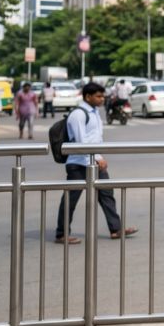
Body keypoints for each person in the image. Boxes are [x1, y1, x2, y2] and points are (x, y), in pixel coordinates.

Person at [54, 82, 138, 244]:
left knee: (107, 194)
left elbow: (95, 140)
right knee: (71, 199)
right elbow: (81, 142)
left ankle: (116, 229)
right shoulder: (79, 114)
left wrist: (98, 157)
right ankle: (61, 233)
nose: (102, 99)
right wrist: (98, 158)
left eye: (102, 96)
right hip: (78, 163)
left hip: (94, 161)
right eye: (98, 96)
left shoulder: (94, 112)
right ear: (88, 96)